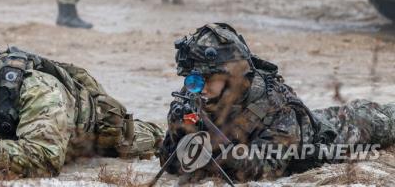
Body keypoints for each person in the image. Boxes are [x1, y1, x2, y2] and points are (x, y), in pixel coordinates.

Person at [0, 35, 163, 177]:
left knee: (138, 139)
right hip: (22, 138)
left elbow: (46, 158)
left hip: (92, 133)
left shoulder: (37, 89)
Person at [158, 23, 395, 183]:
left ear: (232, 77)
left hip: (324, 139)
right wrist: (177, 134)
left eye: (205, 80)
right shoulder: (196, 95)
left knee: (374, 118)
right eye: (191, 80)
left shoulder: (275, 105)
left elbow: (269, 167)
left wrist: (216, 151)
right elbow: (169, 162)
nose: (197, 88)